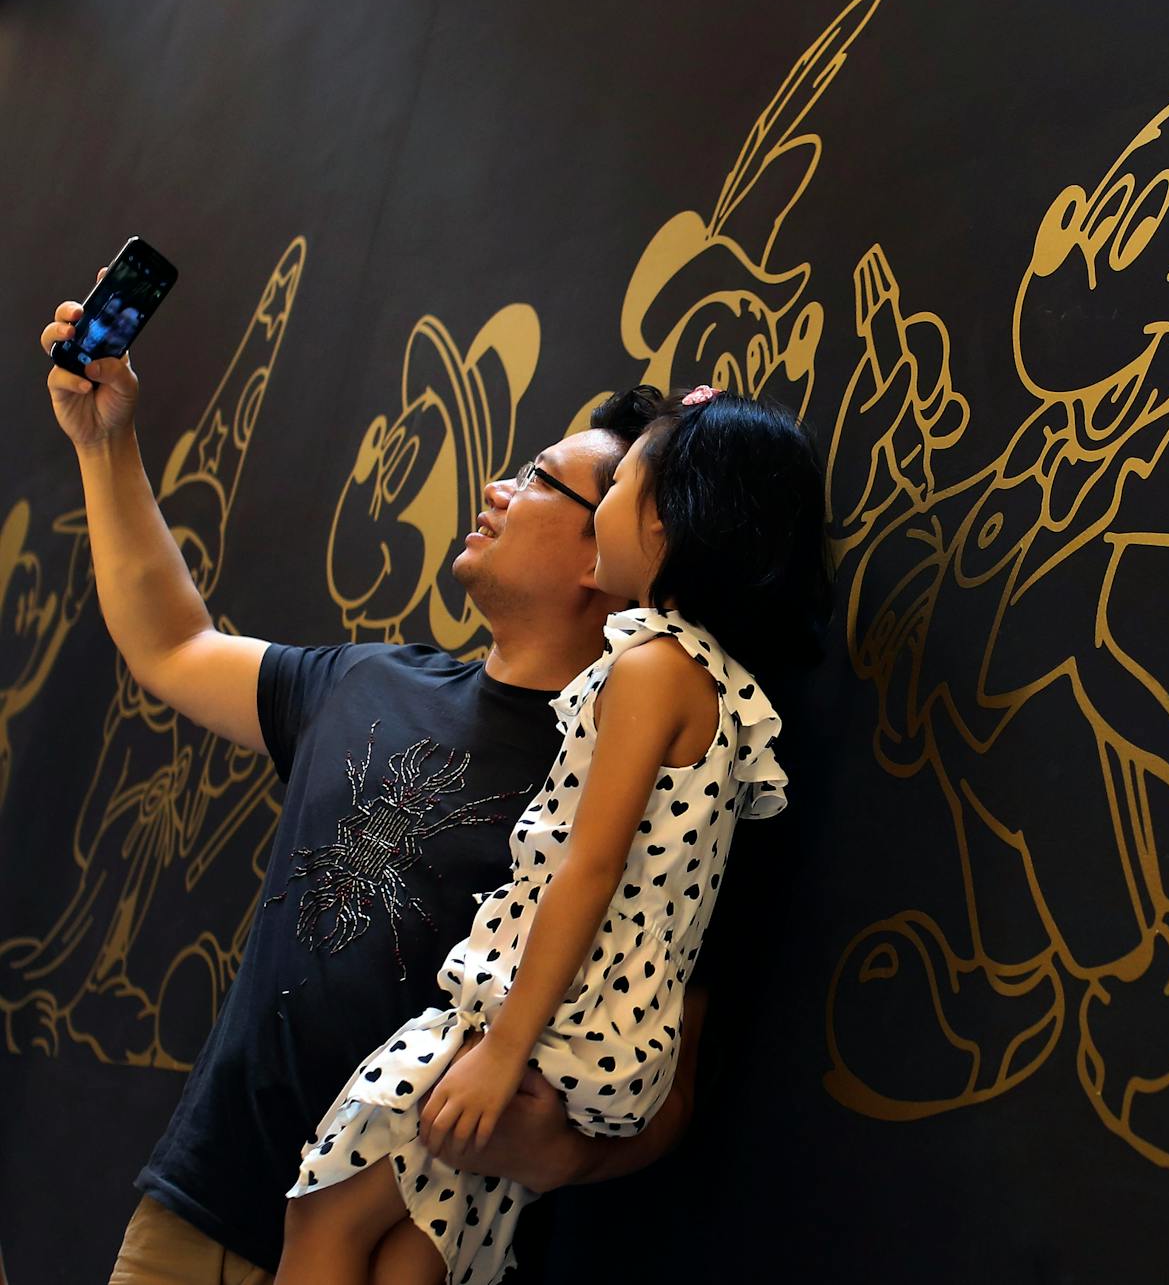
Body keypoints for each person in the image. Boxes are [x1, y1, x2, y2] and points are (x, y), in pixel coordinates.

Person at [39, 293, 705, 1282]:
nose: (493, 486)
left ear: (611, 545)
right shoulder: (369, 681)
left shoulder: (634, 773)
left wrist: (556, 1153)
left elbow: (673, 1069)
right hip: (195, 1217)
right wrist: (105, 444)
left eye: (534, 480)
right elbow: (173, 645)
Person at [276, 384, 830, 1285]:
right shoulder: (728, 693)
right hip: (603, 1038)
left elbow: (590, 865)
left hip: (541, 1021)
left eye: (618, 490)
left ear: (668, 522)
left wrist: (497, 1051)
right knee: (418, 1237)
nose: (601, 508)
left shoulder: (651, 666)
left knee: (323, 1212)